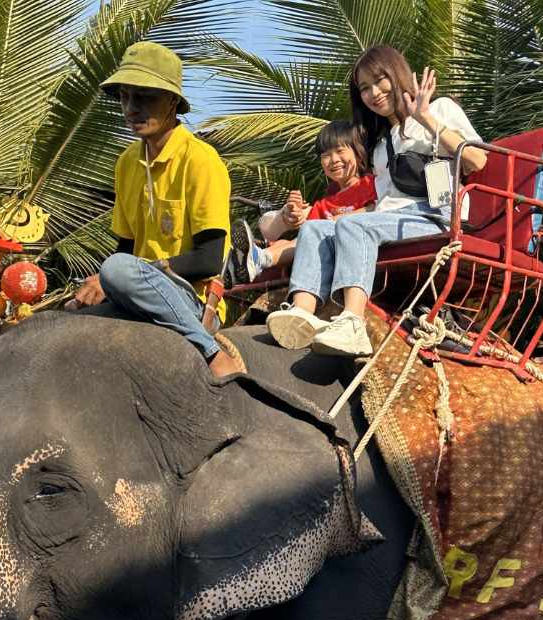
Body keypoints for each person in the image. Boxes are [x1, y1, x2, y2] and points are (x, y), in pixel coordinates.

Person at [265, 45, 487, 357]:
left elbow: (477, 160)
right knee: (315, 230)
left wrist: (424, 118)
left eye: (379, 81)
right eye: (364, 88)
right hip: (393, 220)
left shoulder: (439, 109)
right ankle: (301, 315)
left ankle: (352, 323)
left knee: (355, 226)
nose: (374, 93)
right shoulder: (382, 143)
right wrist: (336, 220)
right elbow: (384, 204)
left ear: (396, 74)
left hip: (435, 215)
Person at [68, 41, 243, 377]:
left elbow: (209, 260)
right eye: (125, 97)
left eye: (145, 97)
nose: (131, 108)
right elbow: (126, 247)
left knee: (116, 269)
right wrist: (100, 285)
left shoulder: (200, 160)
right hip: (137, 291)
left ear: (173, 101)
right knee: (69, 319)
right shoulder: (126, 163)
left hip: (187, 297)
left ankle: (210, 352)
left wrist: (123, 275)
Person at [227, 120, 377, 284]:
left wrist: (334, 221)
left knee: (307, 237)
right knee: (285, 242)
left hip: (354, 249)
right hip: (323, 254)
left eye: (340, 151)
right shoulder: (324, 204)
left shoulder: (372, 184)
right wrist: (292, 213)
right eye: (326, 156)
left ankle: (258, 259)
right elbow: (277, 228)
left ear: (359, 152)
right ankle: (245, 264)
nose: (334, 159)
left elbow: (377, 209)